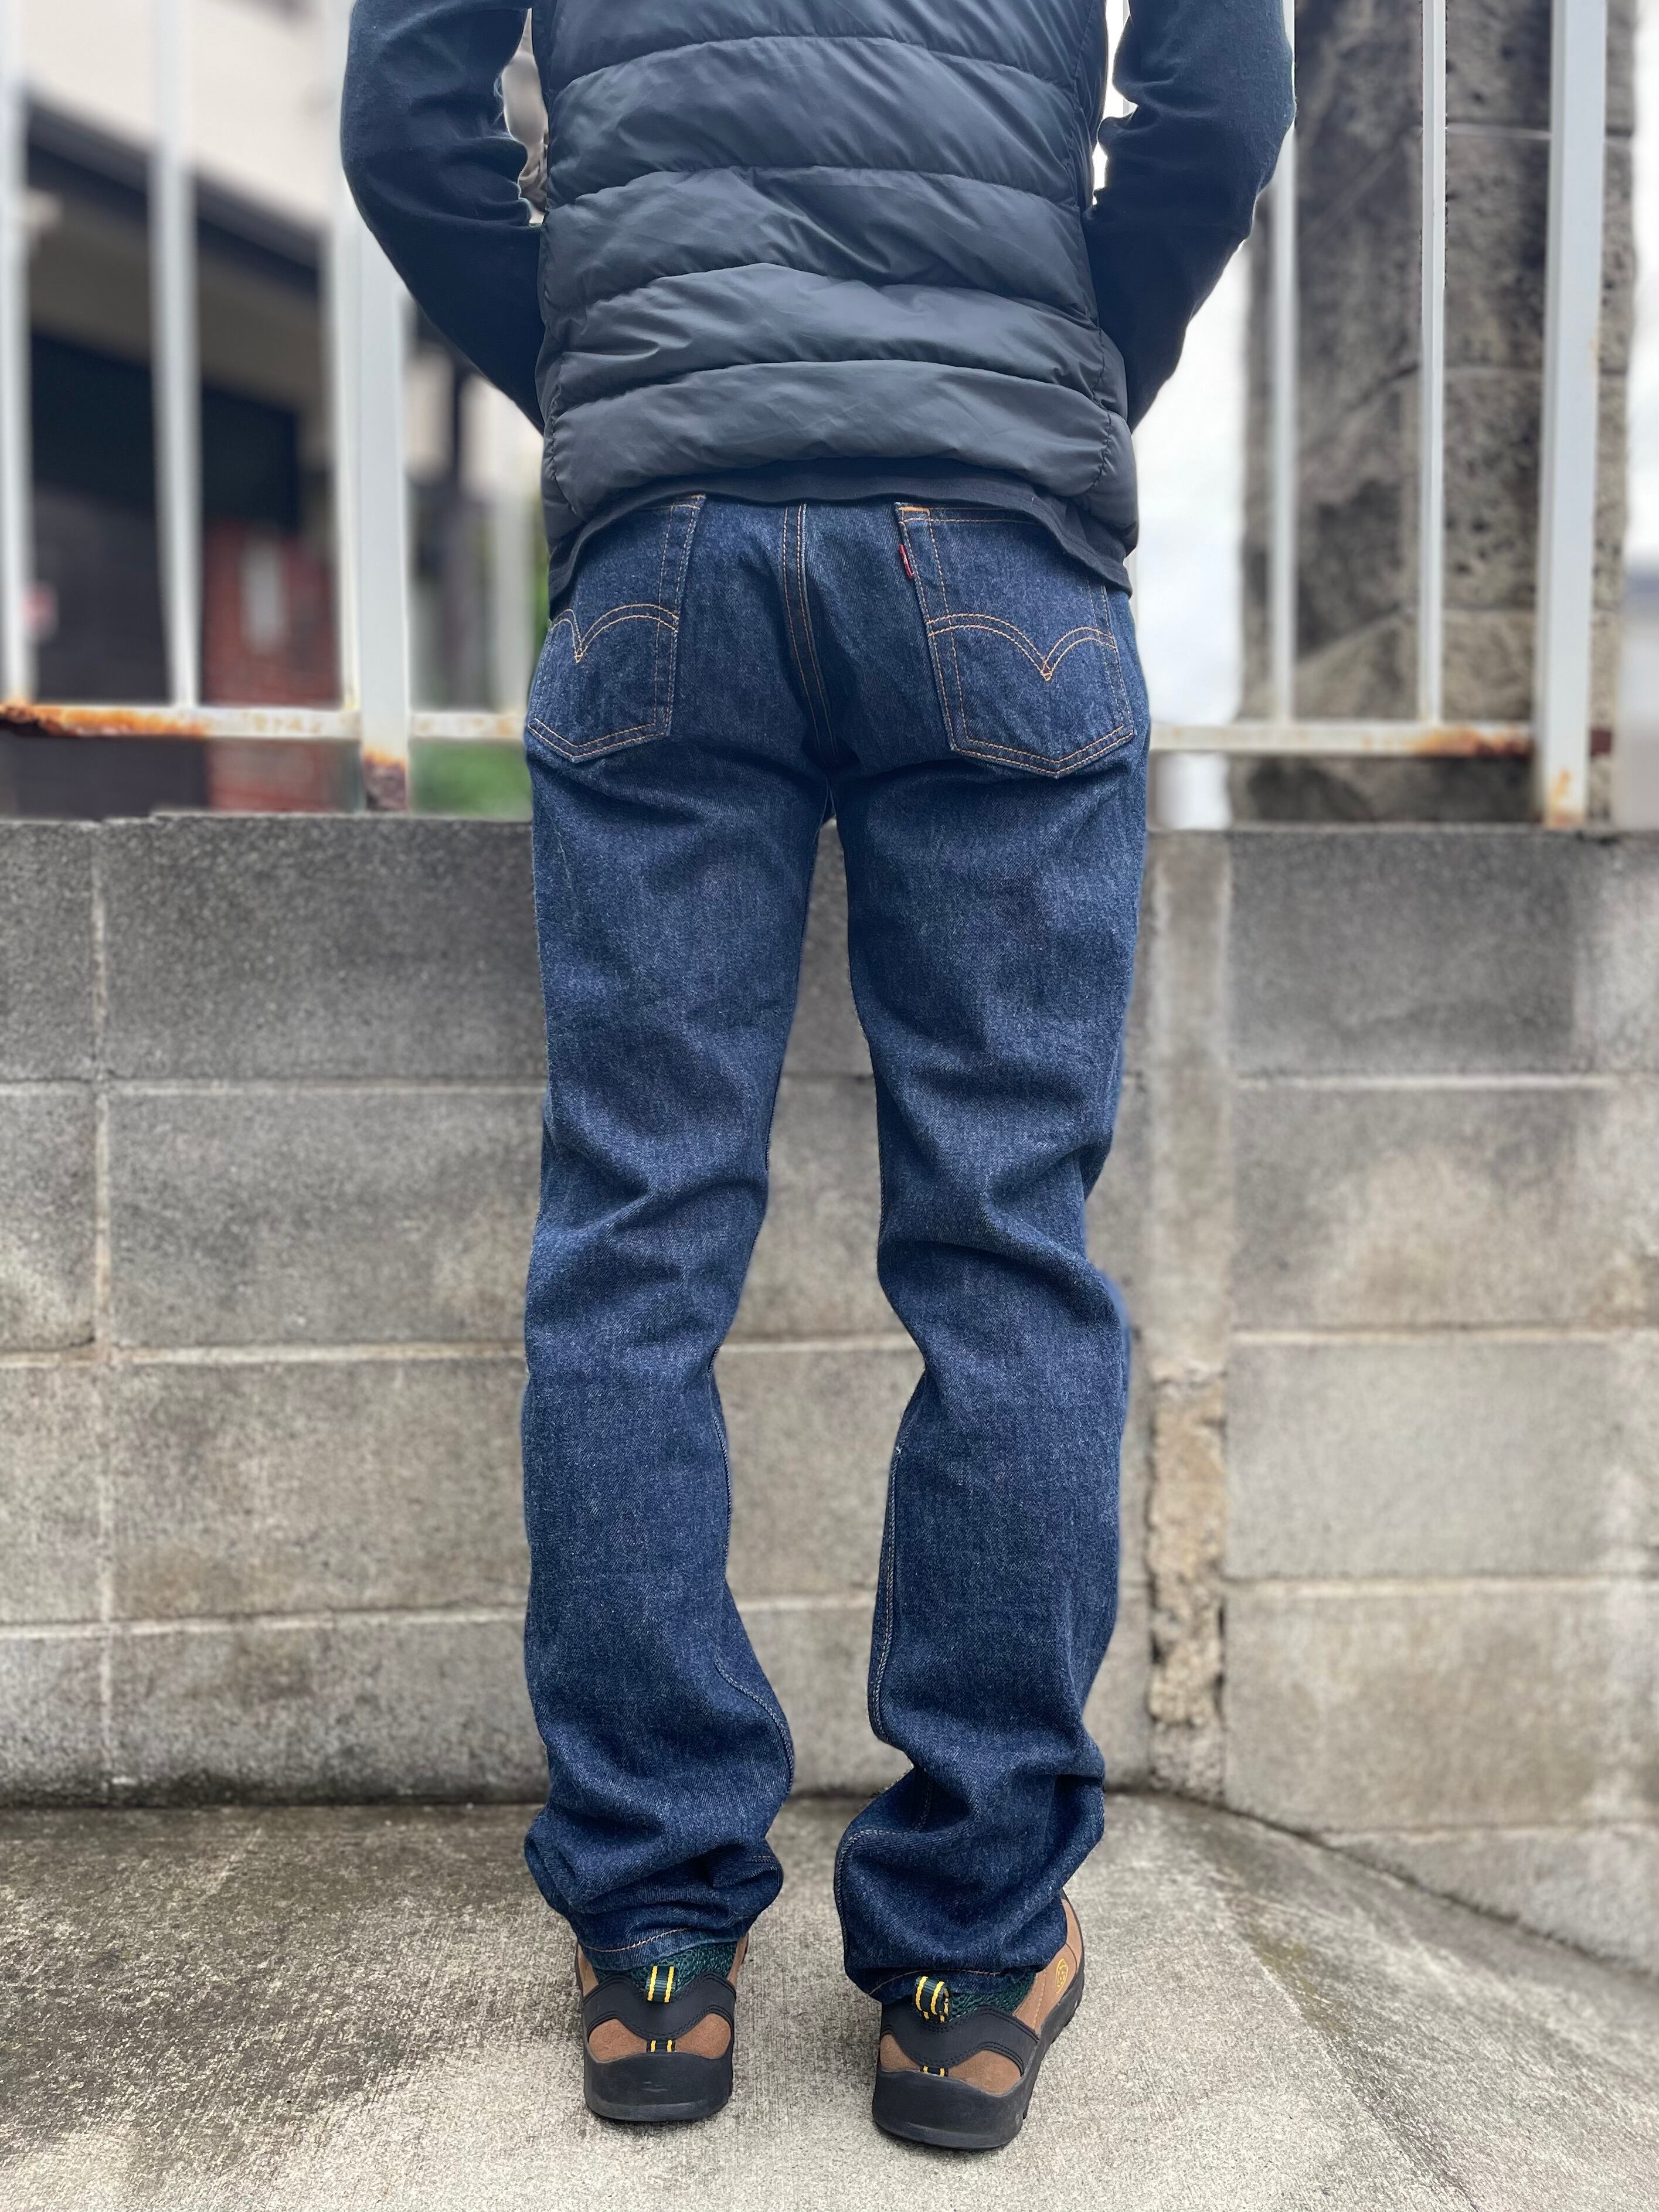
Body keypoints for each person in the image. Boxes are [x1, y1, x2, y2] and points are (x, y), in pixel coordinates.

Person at [344, 0, 1292, 2150]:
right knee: (1005, 1250)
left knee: (633, 1246)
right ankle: (968, 1960)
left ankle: (658, 1945)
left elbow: (405, 112)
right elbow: (1223, 94)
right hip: (996, 536)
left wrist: (614, 375)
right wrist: (1063, 360)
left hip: (666, 544)